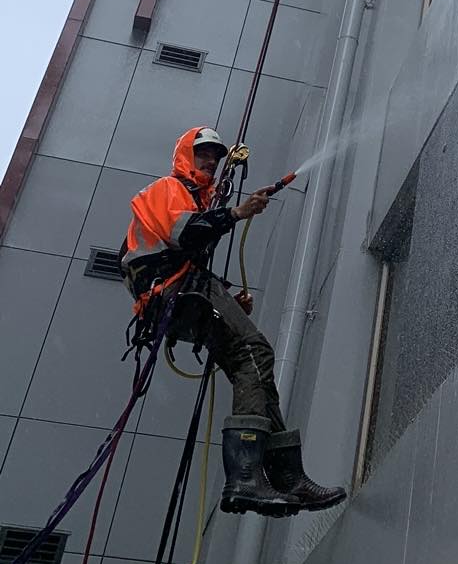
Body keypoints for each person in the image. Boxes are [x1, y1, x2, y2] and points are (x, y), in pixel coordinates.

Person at [120, 126, 345, 517]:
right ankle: (246, 478)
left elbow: (183, 253)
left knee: (254, 365)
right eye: (202, 153)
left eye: (214, 156)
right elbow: (183, 237)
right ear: (184, 156)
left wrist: (226, 291)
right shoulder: (169, 189)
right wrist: (236, 212)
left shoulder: (197, 201)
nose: (210, 161)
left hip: (180, 288)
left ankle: (286, 478)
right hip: (170, 292)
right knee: (253, 352)